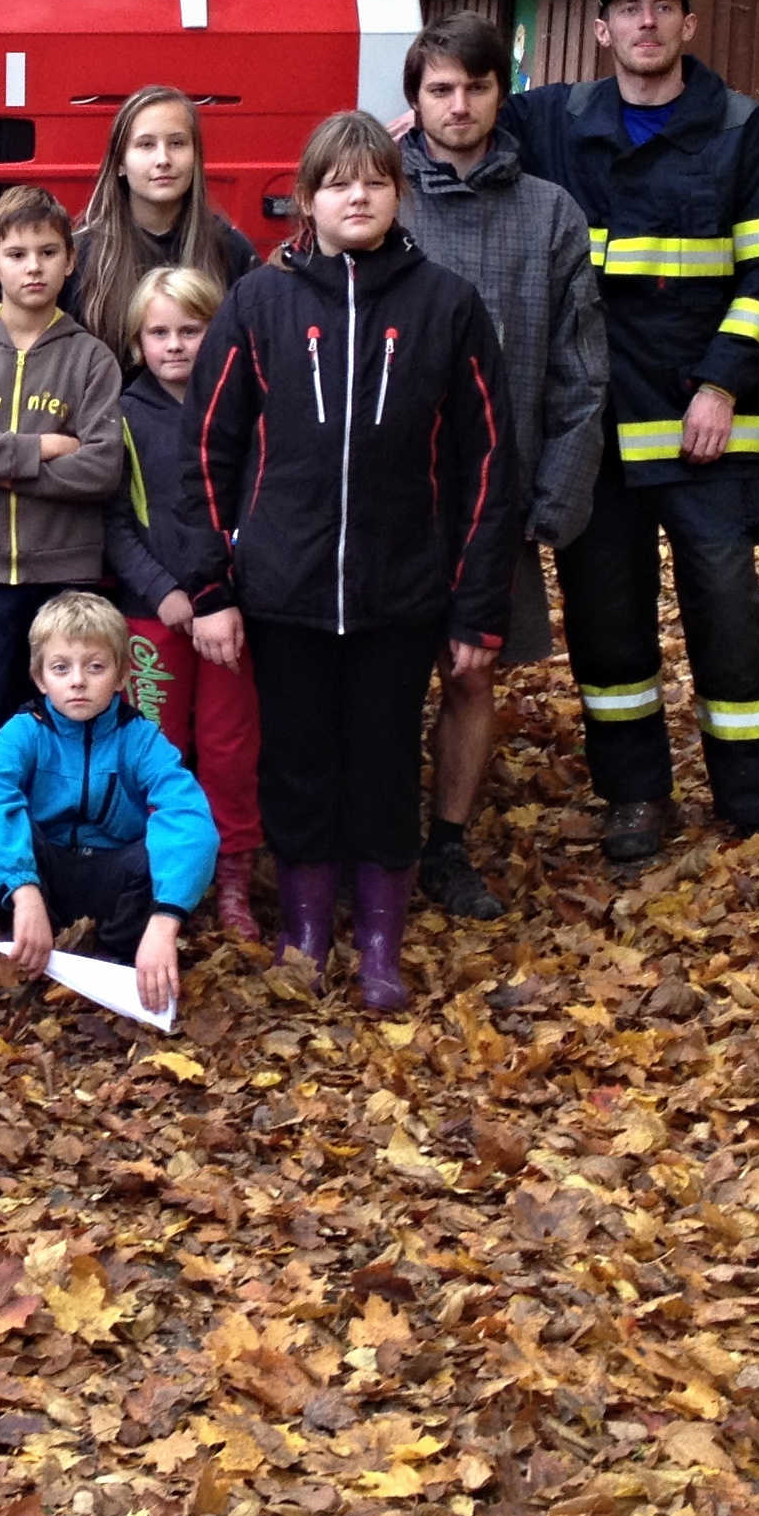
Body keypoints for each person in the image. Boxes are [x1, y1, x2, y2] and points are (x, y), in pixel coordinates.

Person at [180, 112, 517, 1015]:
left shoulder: (446, 304)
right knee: (297, 764)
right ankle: (304, 929)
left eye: (374, 180)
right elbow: (206, 450)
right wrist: (211, 588)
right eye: (337, 182)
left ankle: (378, 944)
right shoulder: (260, 302)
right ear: (307, 200)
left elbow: (488, 464)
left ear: (398, 193)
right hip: (283, 592)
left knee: (379, 766)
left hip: (401, 593)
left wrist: (476, 609)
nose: (356, 195)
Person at [491, 0, 759, 861]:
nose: (644, 23)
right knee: (606, 622)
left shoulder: (744, 132)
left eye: (660, 9)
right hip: (594, 436)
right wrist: (391, 130)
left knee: (728, 609)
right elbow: (460, 107)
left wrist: (721, 385)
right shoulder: (555, 122)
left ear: (688, 27)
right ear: (601, 32)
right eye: (626, 10)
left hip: (704, 424)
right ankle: (634, 797)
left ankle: (756, 797)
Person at [393, 15, 608, 918]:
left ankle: (450, 843)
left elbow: (581, 367)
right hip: (388, 499)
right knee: (382, 675)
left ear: (497, 96)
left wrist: (551, 499)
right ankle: (379, 843)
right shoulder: (377, 198)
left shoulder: (550, 212)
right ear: (414, 101)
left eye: (476, 87)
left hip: (496, 496)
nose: (459, 105)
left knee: (471, 672)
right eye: (440, 89)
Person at [0, 183, 126, 914]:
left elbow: (103, 467)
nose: (32, 266)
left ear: (69, 262)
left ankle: (42, 876)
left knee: (57, 722)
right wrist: (46, 447)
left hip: (64, 574)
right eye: (16, 253)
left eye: (47, 252)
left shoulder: (92, 359)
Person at [0, 589, 219, 1016]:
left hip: (111, 876)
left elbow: (189, 816)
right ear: (41, 678)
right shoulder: (25, 731)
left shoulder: (140, 738)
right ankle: (32, 943)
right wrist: (24, 891)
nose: (78, 680)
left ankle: (115, 959)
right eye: (61, 668)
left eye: (95, 667)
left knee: (161, 846)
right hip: (45, 879)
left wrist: (166, 920)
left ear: (120, 676)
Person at [103, 266, 263, 943]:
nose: (175, 345)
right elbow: (111, 519)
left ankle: (232, 876)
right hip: (152, 614)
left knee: (229, 746)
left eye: (191, 330)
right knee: (158, 748)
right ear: (138, 341)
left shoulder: (247, 409)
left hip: (230, 613)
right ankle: (159, 875)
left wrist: (220, 592)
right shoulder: (123, 415)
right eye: (159, 332)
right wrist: (164, 590)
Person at [66, 85, 258, 339]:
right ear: (120, 162)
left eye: (177, 143)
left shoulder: (232, 251)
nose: (163, 159)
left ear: (196, 156)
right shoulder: (82, 256)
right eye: (146, 145)